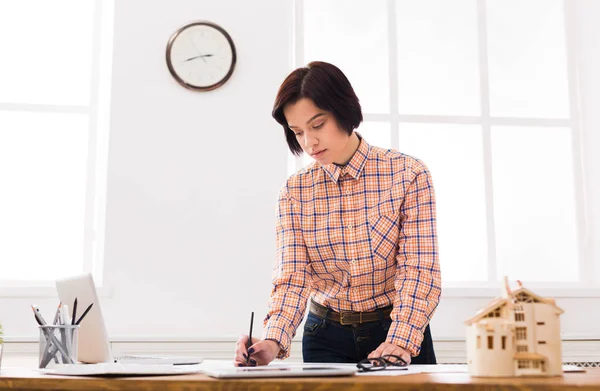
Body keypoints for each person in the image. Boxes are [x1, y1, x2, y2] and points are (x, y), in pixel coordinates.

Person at [234, 61, 441, 367]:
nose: (309, 142)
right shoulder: (295, 191)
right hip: (324, 335)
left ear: (344, 110)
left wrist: (400, 341)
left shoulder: (407, 174)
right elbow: (292, 277)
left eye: (317, 125)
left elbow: (418, 269)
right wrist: (272, 340)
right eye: (298, 131)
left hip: (395, 330)